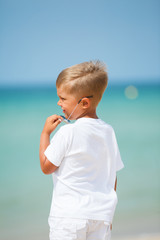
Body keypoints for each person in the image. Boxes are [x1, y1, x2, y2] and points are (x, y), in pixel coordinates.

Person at [39, 60, 124, 240]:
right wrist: (108, 214)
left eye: (63, 99)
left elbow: (47, 167)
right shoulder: (108, 131)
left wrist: (45, 133)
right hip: (101, 217)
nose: (58, 103)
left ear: (84, 103)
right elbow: (112, 176)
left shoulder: (68, 132)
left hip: (69, 218)